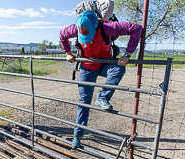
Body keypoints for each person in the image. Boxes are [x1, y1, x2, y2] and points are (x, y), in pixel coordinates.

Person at [59, 10, 142, 149]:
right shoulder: (74, 28)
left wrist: (127, 54)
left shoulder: (107, 27)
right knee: (84, 103)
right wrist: (68, 53)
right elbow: (62, 34)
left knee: (119, 68)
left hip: (105, 64)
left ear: (95, 26)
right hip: (87, 67)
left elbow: (136, 28)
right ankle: (77, 137)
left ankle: (102, 97)